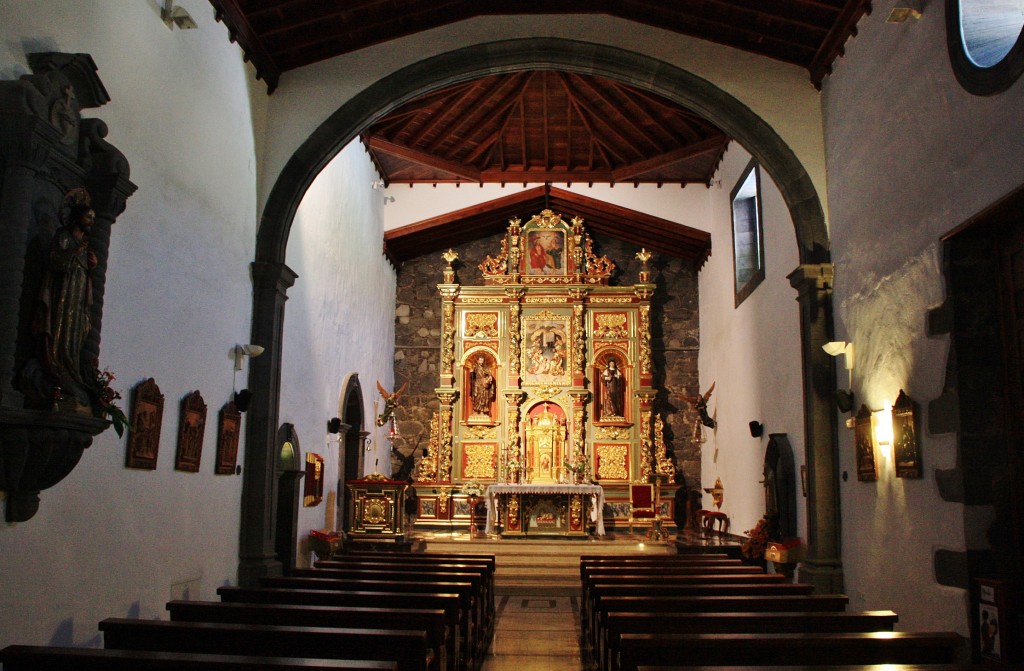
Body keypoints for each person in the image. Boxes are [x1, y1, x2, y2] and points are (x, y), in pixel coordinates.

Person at [34, 187, 98, 405]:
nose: (91, 221)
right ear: (78, 216)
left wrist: (91, 267)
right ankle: (57, 363)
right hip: (62, 293)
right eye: (88, 216)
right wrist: (74, 252)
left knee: (77, 330)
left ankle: (70, 366)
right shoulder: (64, 237)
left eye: (93, 218)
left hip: (77, 296)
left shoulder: (87, 246)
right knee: (59, 328)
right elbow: (56, 262)